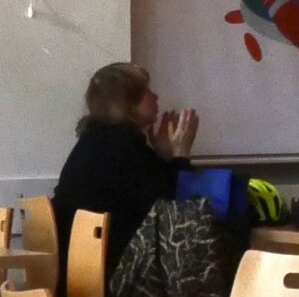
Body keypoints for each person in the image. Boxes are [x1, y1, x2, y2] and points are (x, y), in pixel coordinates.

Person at [52, 62, 198, 285]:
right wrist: (181, 155)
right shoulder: (123, 145)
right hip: (114, 276)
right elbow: (175, 212)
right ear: (128, 102)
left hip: (78, 271)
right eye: (146, 91)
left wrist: (163, 156)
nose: (155, 96)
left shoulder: (99, 140)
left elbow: (148, 193)